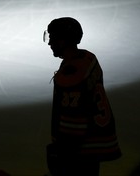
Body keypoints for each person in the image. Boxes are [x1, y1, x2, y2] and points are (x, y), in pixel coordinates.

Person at [44, 17, 121, 176]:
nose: (49, 43)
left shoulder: (71, 76)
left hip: (82, 150)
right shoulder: (88, 58)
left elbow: (74, 125)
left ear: (63, 41)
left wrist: (63, 155)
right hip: (93, 145)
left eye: (52, 38)